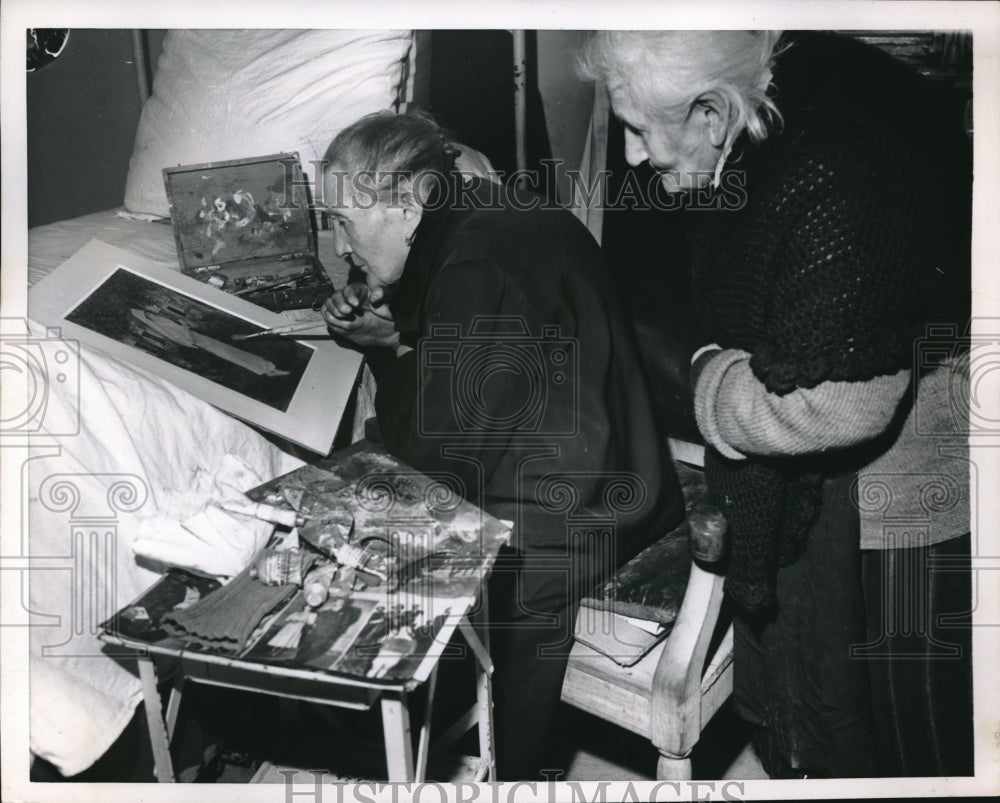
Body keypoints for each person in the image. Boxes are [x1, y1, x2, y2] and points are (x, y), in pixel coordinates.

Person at [578, 30, 973, 778]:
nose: (630, 155)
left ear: (712, 114)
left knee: (913, 725)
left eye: (638, 129)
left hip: (925, 438)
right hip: (890, 384)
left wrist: (708, 381)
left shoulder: (834, 172)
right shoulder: (774, 92)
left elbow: (835, 405)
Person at [319, 111, 686, 780]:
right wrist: (399, 338)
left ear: (408, 206)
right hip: (623, 466)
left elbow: (435, 466)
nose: (340, 245)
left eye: (344, 220)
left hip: (580, 516)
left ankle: (510, 772)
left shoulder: (473, 265)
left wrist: (386, 352)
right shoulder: (491, 211)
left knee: (384, 537)